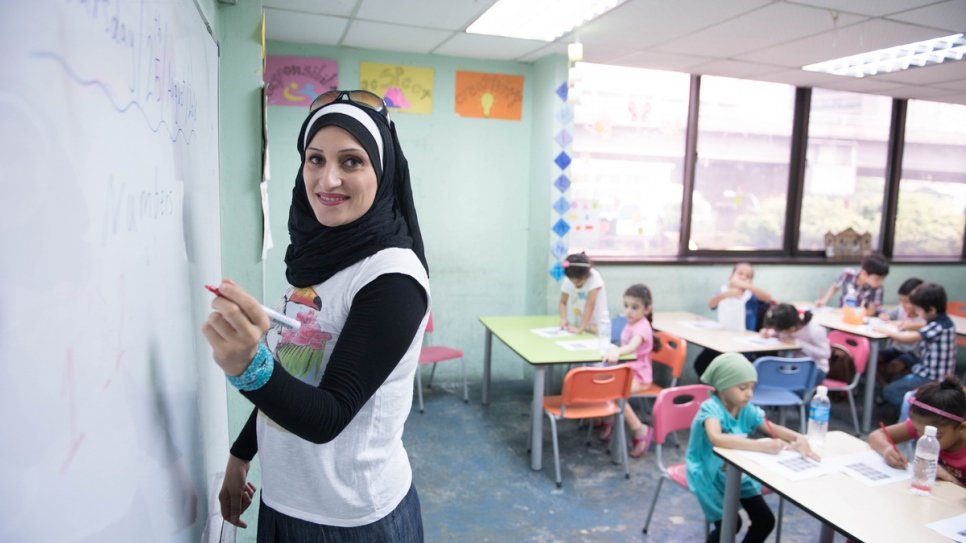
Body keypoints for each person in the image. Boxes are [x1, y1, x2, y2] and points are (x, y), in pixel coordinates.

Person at [201, 90, 430, 541]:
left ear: (381, 172)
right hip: (286, 501)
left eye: (351, 162)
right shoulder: (317, 258)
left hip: (352, 517)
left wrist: (246, 366)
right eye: (314, 159)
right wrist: (240, 455)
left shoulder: (391, 276)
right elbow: (294, 372)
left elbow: (329, 415)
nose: (327, 180)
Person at [686, 353, 819, 543]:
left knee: (765, 521)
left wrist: (799, 437)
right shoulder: (711, 408)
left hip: (735, 470)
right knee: (731, 524)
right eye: (742, 388)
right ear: (723, 386)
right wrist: (761, 446)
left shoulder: (746, 408)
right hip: (707, 472)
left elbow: (772, 428)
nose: (749, 393)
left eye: (752, 388)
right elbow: (716, 438)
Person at [868, 376, 966, 486]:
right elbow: (876, 435)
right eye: (917, 430)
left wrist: (952, 480)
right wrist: (887, 449)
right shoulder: (928, 428)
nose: (924, 438)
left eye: (937, 436)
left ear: (961, 427)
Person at [877, 282, 957, 412]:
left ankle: (920, 413)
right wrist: (906, 325)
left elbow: (906, 338)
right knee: (898, 382)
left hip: (932, 377)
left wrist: (885, 331)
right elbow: (921, 325)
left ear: (931, 310)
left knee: (890, 392)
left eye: (919, 309)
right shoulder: (944, 322)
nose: (917, 312)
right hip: (935, 373)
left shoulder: (936, 326)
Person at [601, 284, 659, 457]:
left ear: (647, 309)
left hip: (640, 377)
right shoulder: (631, 323)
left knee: (616, 392)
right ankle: (608, 419)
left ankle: (639, 429)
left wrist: (616, 351)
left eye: (635, 307)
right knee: (601, 381)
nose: (629, 311)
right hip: (628, 371)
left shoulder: (642, 327)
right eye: (626, 306)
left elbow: (632, 346)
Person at [694, 263, 773, 376]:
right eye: (740, 273)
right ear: (731, 276)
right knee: (701, 363)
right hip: (722, 338)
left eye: (748, 276)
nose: (743, 277)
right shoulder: (723, 291)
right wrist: (725, 295)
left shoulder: (751, 295)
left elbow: (768, 298)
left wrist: (749, 287)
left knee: (729, 366)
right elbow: (711, 304)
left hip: (744, 342)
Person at [760, 303, 831, 387]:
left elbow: (826, 354)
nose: (782, 333)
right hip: (788, 365)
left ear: (791, 327)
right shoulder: (784, 327)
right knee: (767, 375)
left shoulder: (814, 330)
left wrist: (800, 344)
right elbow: (777, 332)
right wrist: (768, 333)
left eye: (783, 330)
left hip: (814, 369)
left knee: (783, 383)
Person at [875, 277, 925, 387]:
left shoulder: (924, 316)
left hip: (914, 354)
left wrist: (909, 325)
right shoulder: (901, 309)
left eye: (908, 302)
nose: (904, 305)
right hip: (896, 349)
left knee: (894, 366)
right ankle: (885, 388)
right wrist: (884, 315)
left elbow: (928, 325)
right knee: (872, 358)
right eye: (901, 301)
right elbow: (886, 314)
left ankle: (887, 390)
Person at [815, 253, 889, 316]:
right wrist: (824, 301)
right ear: (864, 274)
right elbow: (835, 286)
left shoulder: (878, 288)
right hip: (842, 315)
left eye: (883, 279)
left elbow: (870, 311)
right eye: (877, 279)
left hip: (861, 319)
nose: (881, 282)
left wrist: (849, 312)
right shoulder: (847, 274)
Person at [558, 252, 610, 335]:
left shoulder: (594, 277)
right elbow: (563, 302)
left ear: (586, 274)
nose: (575, 283)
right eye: (572, 280)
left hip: (596, 325)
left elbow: (590, 305)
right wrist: (564, 318)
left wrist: (581, 328)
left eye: (578, 281)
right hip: (579, 324)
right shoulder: (569, 278)